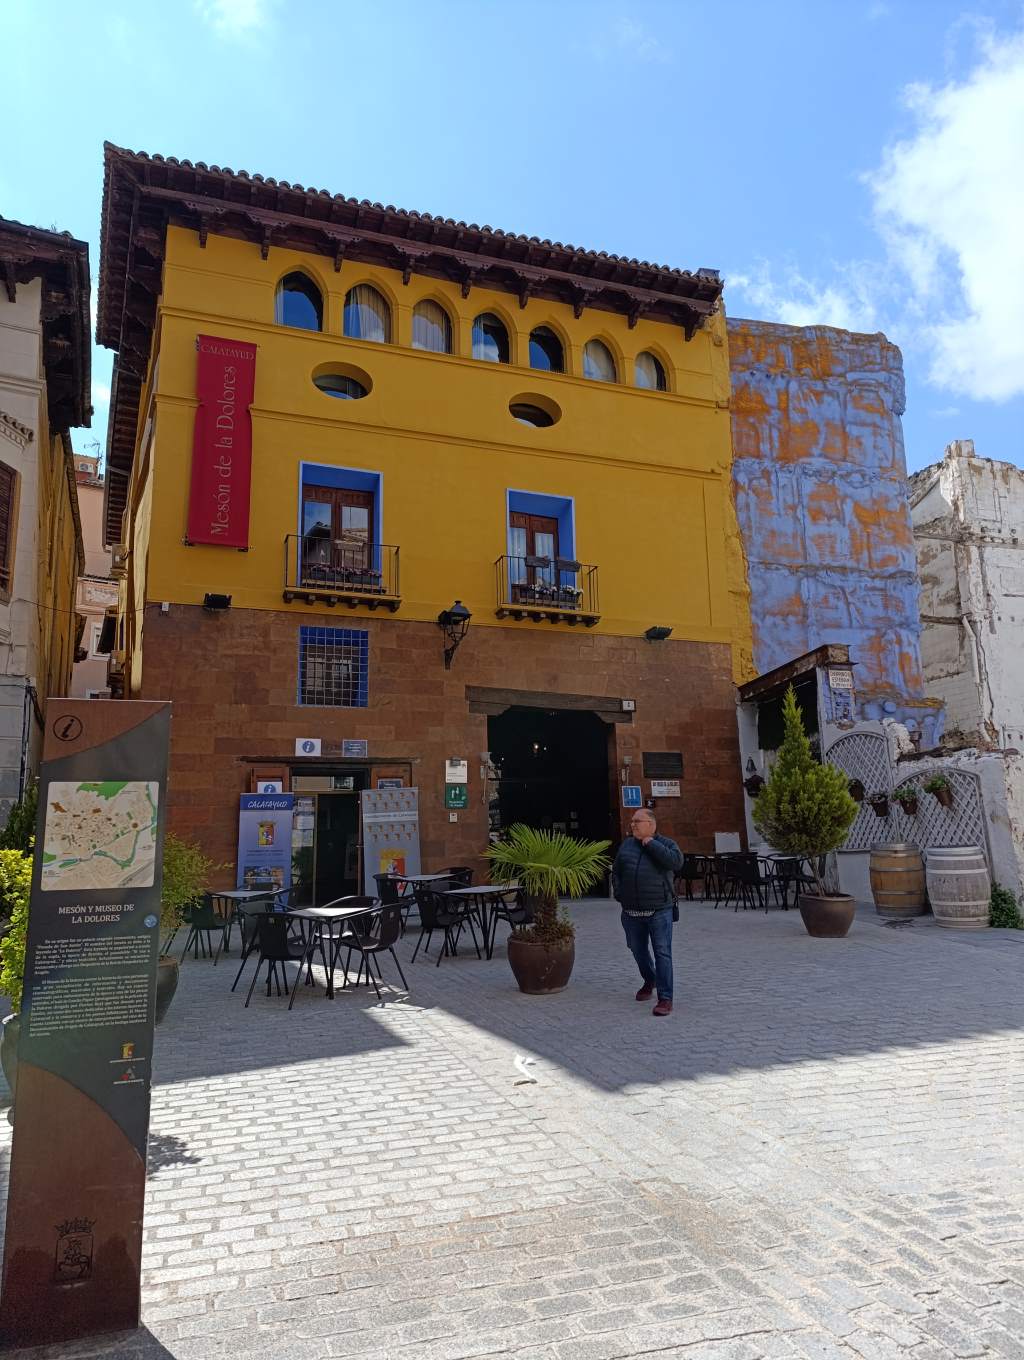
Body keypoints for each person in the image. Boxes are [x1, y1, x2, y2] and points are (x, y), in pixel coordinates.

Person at [611, 809, 683, 1016]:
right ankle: (649, 979)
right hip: (631, 912)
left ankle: (665, 998)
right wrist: (619, 893)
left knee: (662, 952)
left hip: (659, 910)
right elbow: (617, 871)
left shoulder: (667, 844)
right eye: (632, 821)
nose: (633, 824)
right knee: (637, 950)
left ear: (651, 824)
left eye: (638, 821)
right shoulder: (626, 845)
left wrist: (651, 844)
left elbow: (676, 863)